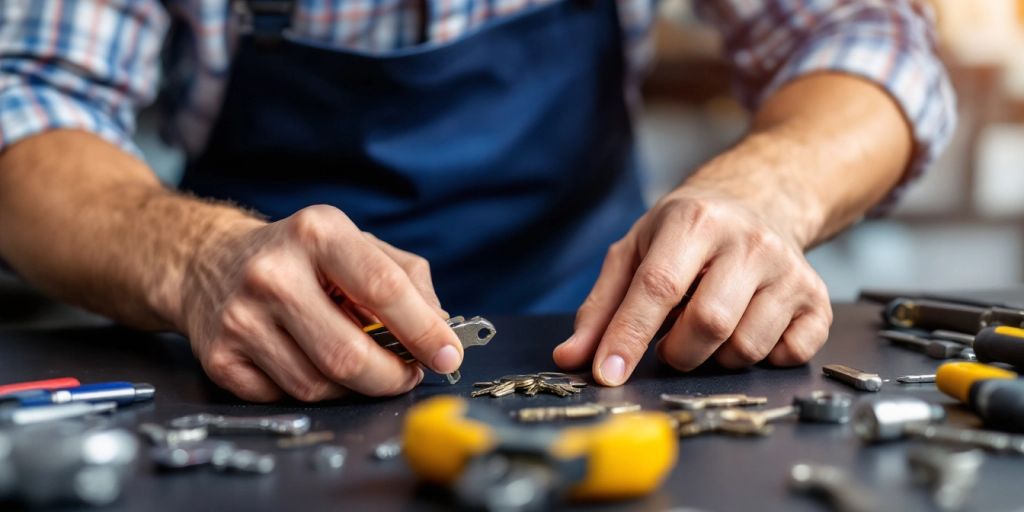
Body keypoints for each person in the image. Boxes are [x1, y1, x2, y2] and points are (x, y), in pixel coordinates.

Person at [0, 0, 954, 401]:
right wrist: (197, 260)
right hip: (250, 364)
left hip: (603, 354)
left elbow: (870, 40)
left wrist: (766, 191)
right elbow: (28, 101)